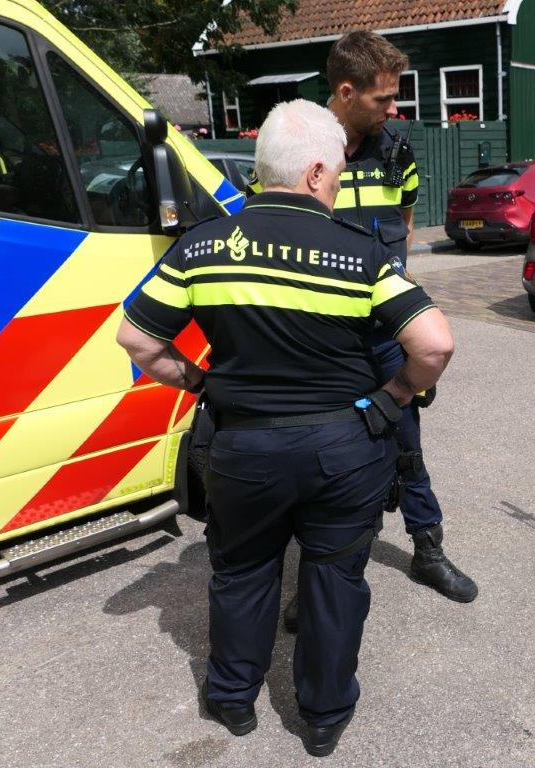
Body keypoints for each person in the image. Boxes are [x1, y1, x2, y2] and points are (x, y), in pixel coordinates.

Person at [116, 99, 454, 757]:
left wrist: (200, 384)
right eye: (333, 177)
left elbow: (137, 338)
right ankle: (323, 716)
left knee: (242, 572)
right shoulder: (359, 256)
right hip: (344, 447)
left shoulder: (202, 247)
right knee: (334, 578)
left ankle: (233, 699)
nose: (333, 188)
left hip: (242, 446)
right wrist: (393, 399)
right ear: (315, 172)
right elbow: (434, 345)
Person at [281, 31, 477, 637]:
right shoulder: (300, 148)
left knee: (406, 444)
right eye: (384, 98)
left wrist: (404, 305)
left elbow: (406, 222)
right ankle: (319, 583)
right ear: (346, 91)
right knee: (327, 463)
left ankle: (428, 551)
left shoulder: (397, 146)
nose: (395, 109)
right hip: (328, 340)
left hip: (387, 332)